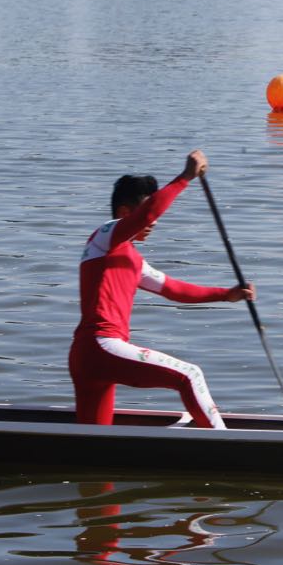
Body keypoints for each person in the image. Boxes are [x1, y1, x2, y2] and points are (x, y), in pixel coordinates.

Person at [68, 150, 253, 429]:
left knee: (94, 444)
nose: (152, 222)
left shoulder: (128, 258)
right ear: (123, 213)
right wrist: (185, 177)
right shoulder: (105, 235)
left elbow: (173, 289)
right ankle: (227, 445)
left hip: (89, 356)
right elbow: (152, 211)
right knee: (189, 375)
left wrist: (225, 295)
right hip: (101, 346)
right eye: (142, 215)